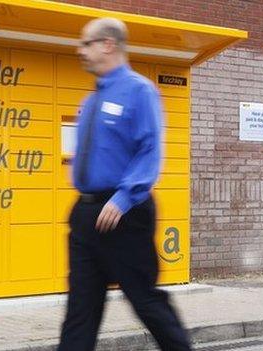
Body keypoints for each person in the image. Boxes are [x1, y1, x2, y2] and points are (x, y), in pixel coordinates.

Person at [57, 17, 193, 351]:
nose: (80, 50)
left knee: (144, 299)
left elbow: (149, 150)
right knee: (80, 310)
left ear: (108, 44)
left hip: (124, 213)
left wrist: (123, 198)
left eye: (86, 43)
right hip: (87, 215)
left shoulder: (139, 90)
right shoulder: (90, 102)